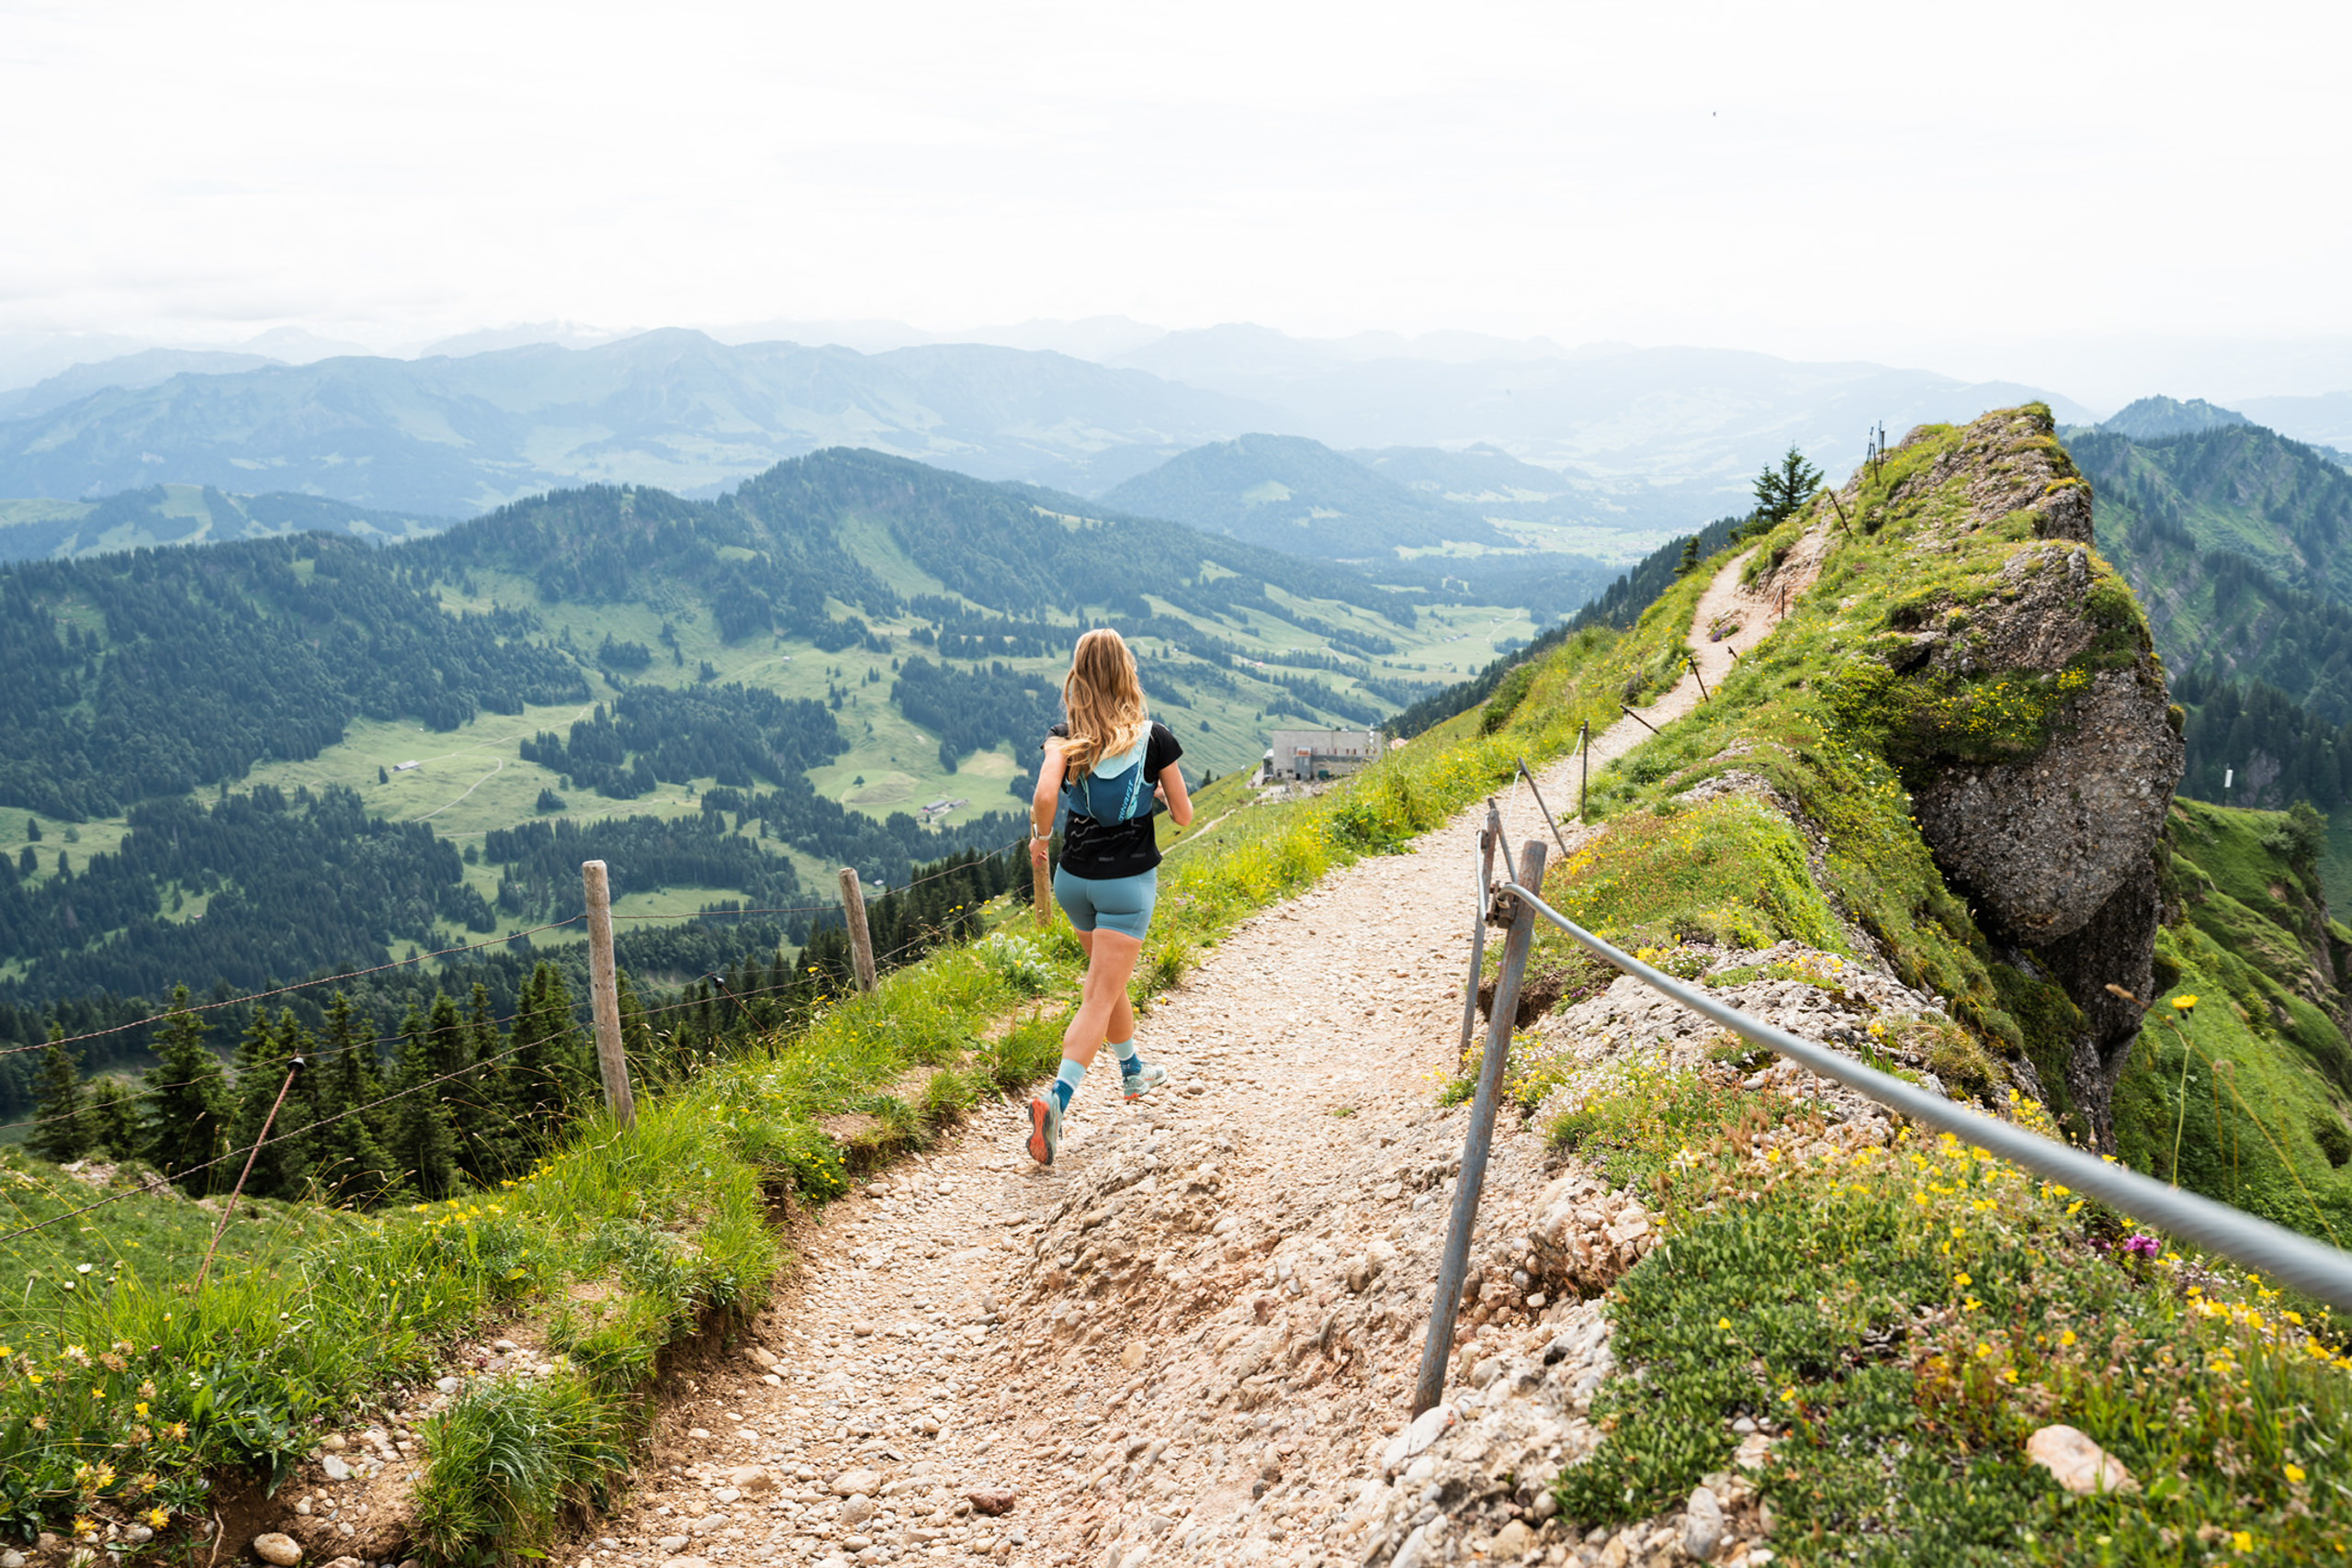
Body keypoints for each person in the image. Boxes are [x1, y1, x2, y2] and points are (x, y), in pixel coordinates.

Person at [1026, 628, 1193, 1166]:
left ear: (1078, 676)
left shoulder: (1063, 738)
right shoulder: (1154, 737)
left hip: (1073, 880)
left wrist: (1041, 838)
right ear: (1127, 672)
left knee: (1106, 979)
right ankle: (1057, 1101)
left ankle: (1132, 1070)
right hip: (1126, 884)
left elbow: (1046, 794)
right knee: (1099, 994)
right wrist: (1155, 794)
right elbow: (1185, 814)